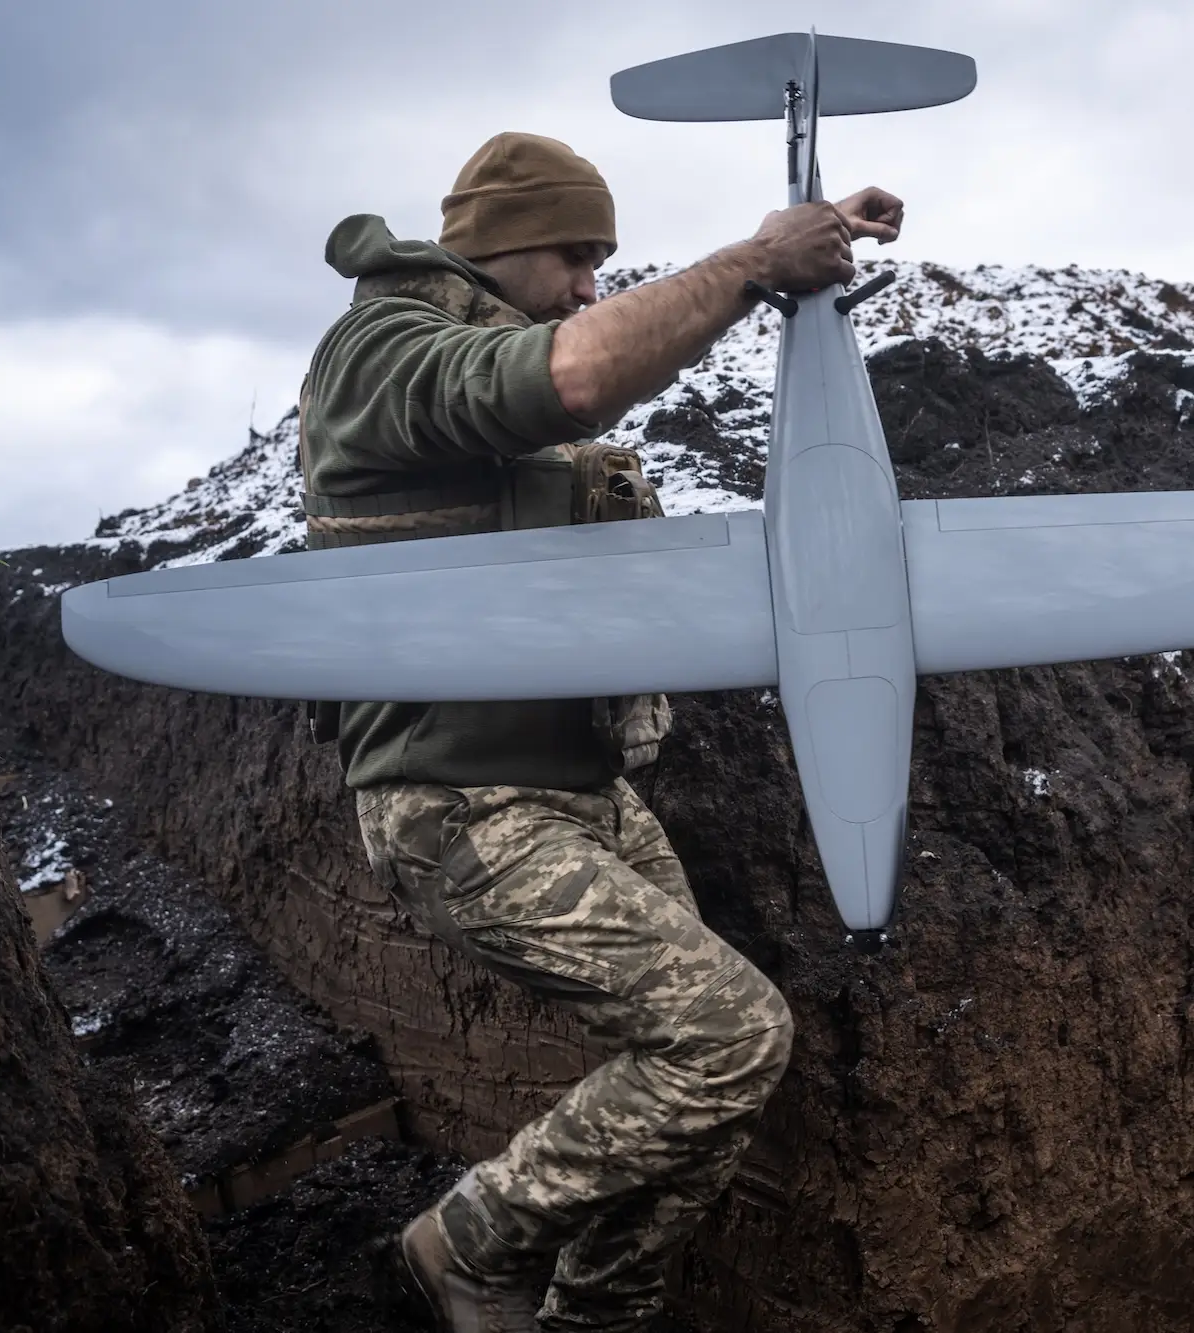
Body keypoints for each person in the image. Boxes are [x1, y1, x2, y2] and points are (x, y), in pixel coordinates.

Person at [297, 131, 903, 1332]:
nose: (589, 284)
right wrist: (752, 263)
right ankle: (465, 1245)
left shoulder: (476, 348)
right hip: (460, 805)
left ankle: (600, 1314)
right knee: (728, 1038)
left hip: (583, 796)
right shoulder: (384, 352)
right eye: (576, 256)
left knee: (713, 1073)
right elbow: (568, 378)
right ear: (502, 243)